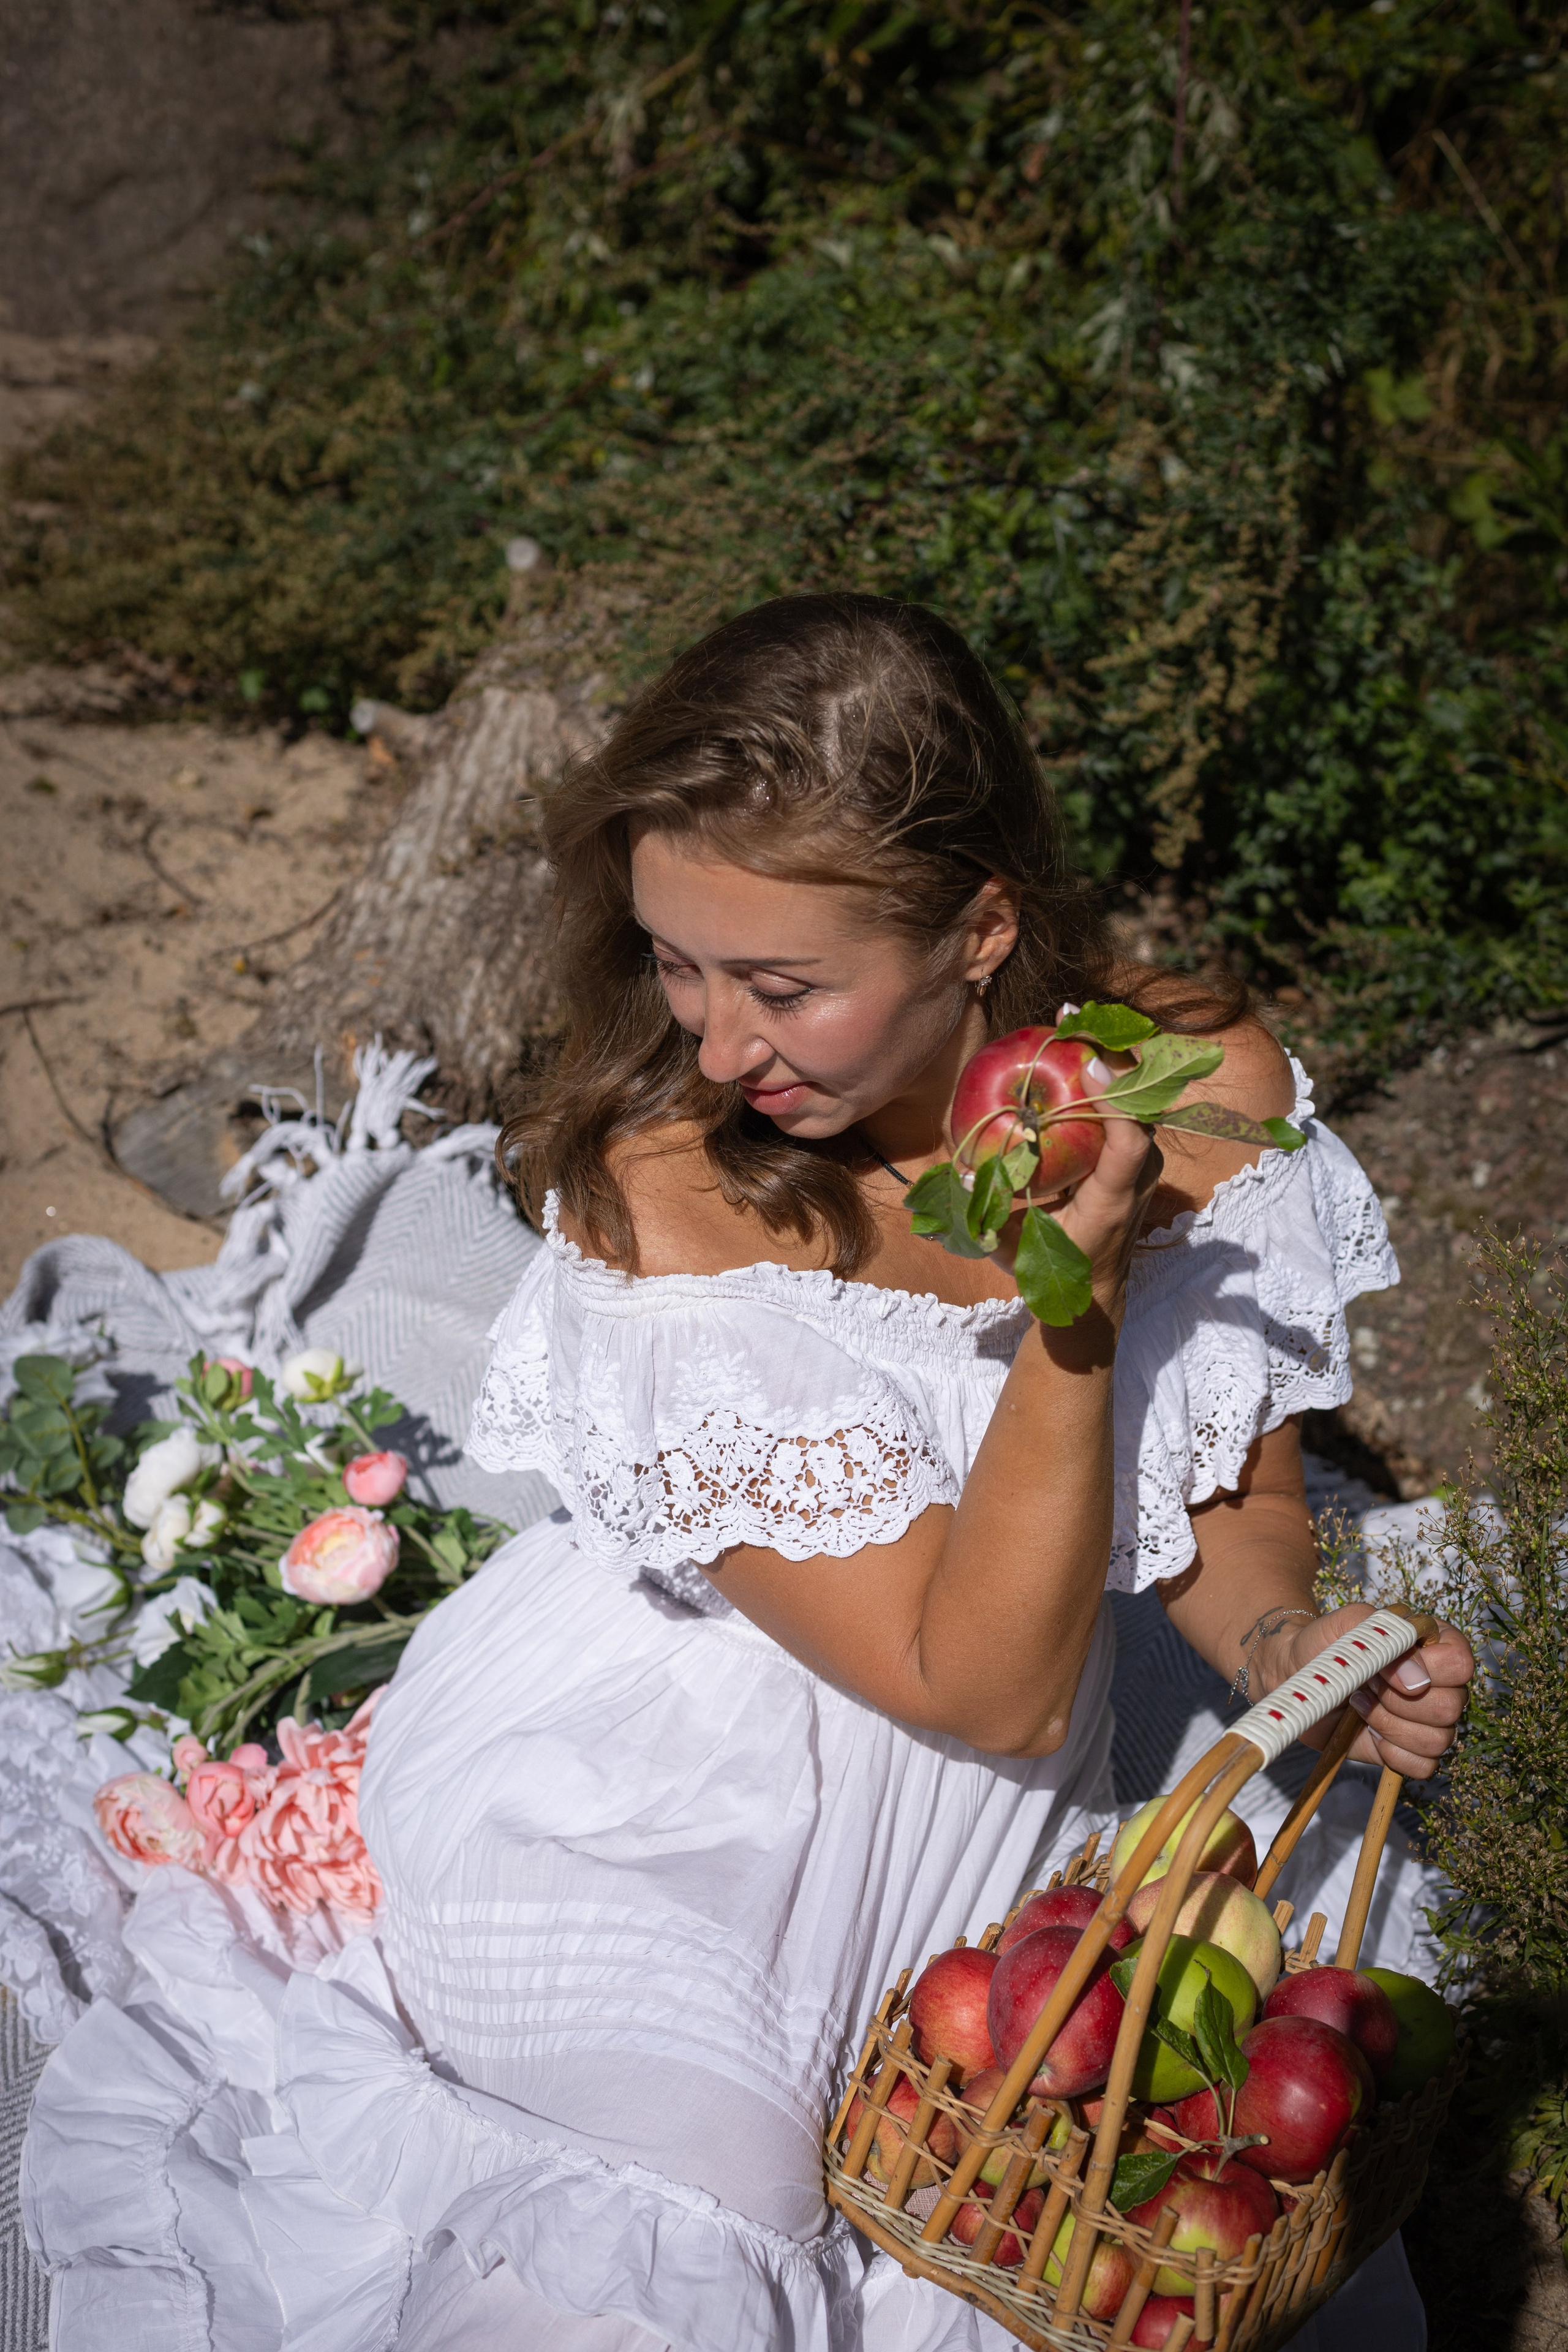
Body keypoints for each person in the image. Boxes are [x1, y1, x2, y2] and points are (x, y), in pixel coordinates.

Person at [26, 594, 1471, 2351]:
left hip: (969, 1850)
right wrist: (1063, 1311)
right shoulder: (675, 1185)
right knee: (719, 2224)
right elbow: (982, 1691)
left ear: (980, 930)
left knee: (1043, 2194)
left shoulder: (1196, 1088)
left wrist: (1279, 1653)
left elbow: (1228, 1498)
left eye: (782, 986)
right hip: (637, 1796)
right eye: (676, 962)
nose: (716, 1045)